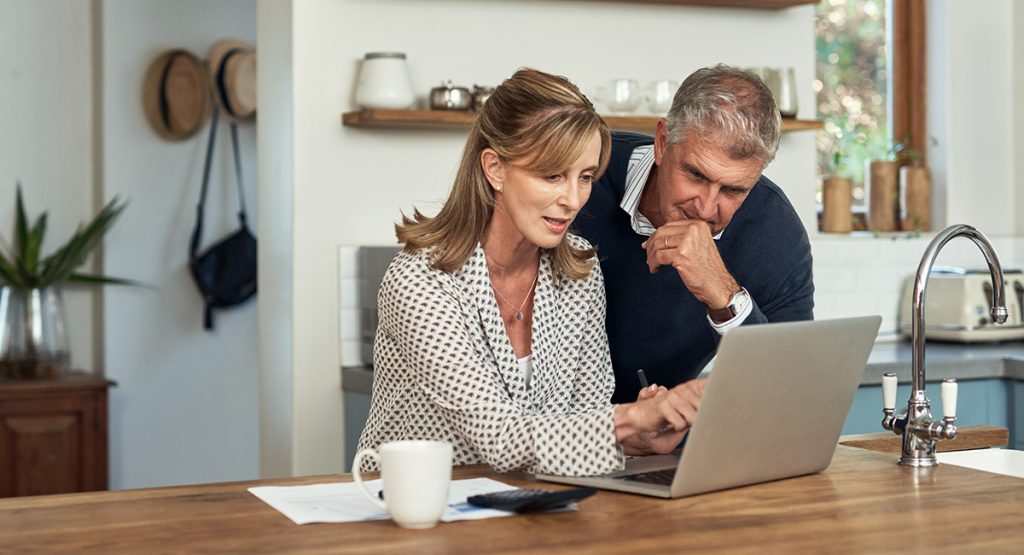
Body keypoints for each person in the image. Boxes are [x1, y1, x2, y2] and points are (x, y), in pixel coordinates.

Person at [357, 68, 706, 477]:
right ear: (495, 169)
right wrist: (630, 420)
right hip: (415, 513)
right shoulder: (420, 282)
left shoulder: (580, 273)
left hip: (531, 510)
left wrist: (637, 439)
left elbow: (583, 417)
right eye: (552, 175)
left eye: (586, 177)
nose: (573, 199)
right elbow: (500, 437)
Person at [575, 64, 814, 404]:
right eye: (696, 175)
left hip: (661, 439)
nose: (705, 208)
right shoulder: (583, 176)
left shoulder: (776, 234)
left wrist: (725, 296)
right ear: (662, 141)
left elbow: (791, 391)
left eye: (733, 190)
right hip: (548, 431)